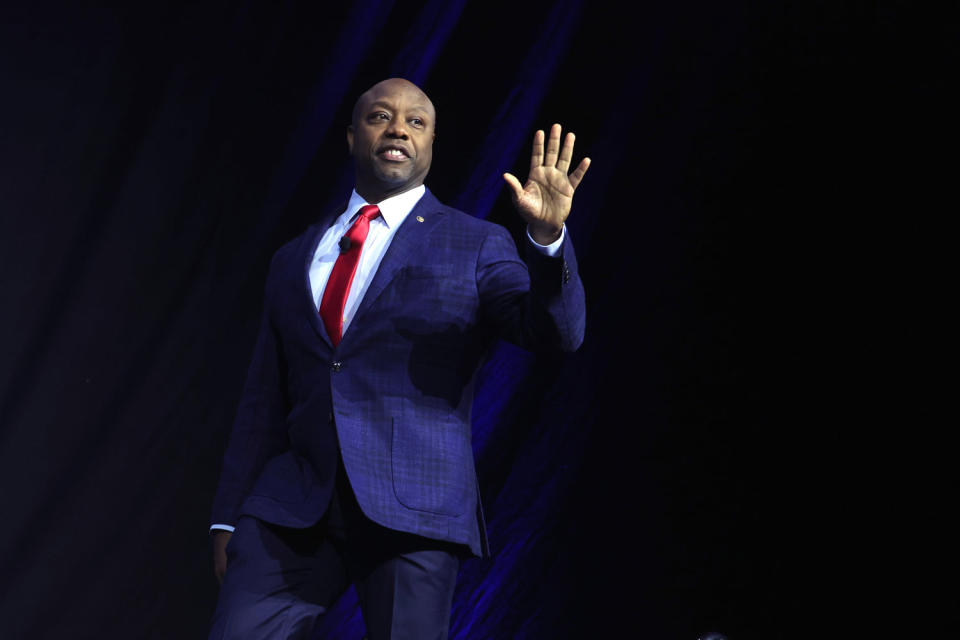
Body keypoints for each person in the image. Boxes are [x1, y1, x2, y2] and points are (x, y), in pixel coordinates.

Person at [208, 78, 589, 640]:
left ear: (432, 144)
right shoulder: (294, 258)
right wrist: (226, 516)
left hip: (414, 508)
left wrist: (546, 238)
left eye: (416, 122)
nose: (397, 130)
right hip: (293, 506)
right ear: (351, 136)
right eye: (380, 117)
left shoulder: (475, 242)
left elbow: (557, 333)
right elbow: (264, 398)